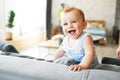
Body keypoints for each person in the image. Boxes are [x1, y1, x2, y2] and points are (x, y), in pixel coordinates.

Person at [54, 7, 98, 71]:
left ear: (84, 25)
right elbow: (60, 52)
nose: (69, 26)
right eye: (65, 24)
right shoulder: (66, 39)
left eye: (74, 22)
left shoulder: (85, 38)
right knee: (64, 61)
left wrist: (82, 65)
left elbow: (90, 54)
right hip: (74, 66)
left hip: (89, 67)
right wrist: (54, 61)